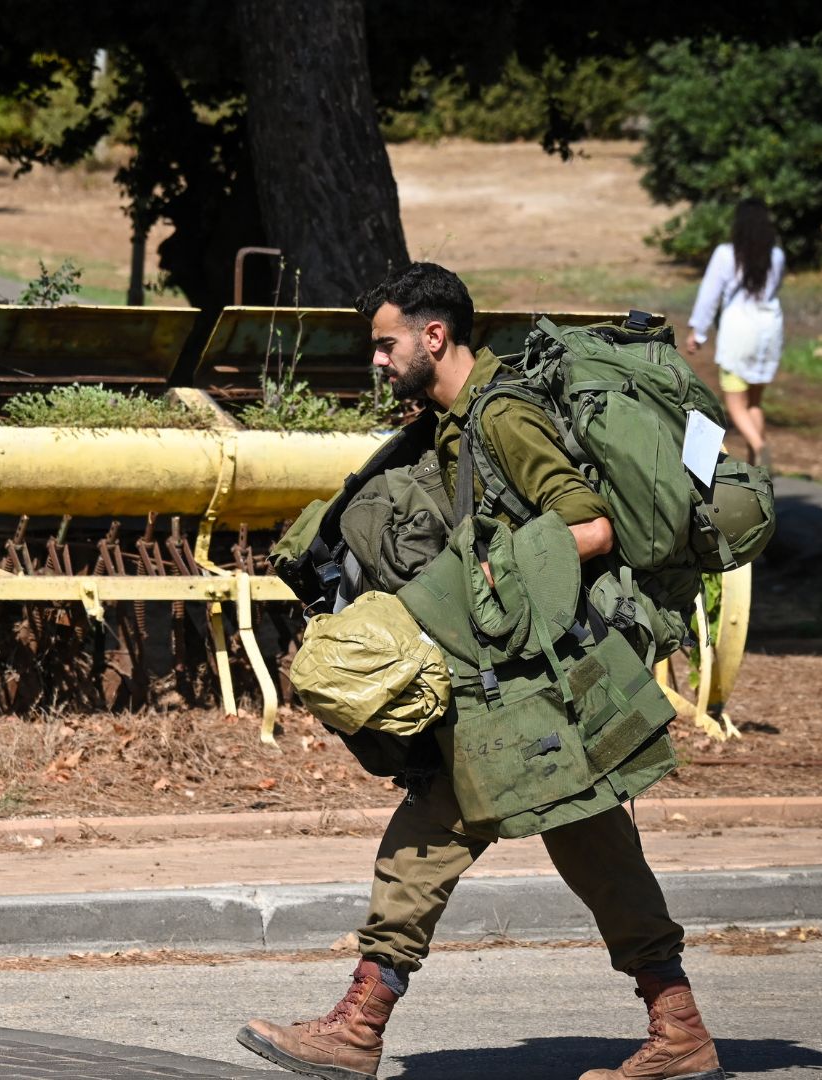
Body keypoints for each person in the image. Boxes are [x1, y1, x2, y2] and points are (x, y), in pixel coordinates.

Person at [237, 263, 723, 1080]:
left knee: (431, 832)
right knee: (595, 845)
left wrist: (486, 581)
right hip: (527, 677)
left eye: (387, 344)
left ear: (435, 336)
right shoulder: (455, 418)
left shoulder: (503, 417)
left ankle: (359, 1025)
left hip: (536, 683)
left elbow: (593, 525)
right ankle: (678, 1027)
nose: (379, 361)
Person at [685, 199, 786, 468]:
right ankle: (758, 468)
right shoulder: (776, 256)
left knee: (735, 402)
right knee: (754, 402)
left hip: (739, 329)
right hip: (770, 328)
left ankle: (759, 446)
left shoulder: (726, 254)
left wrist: (698, 331)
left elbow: (710, 294)